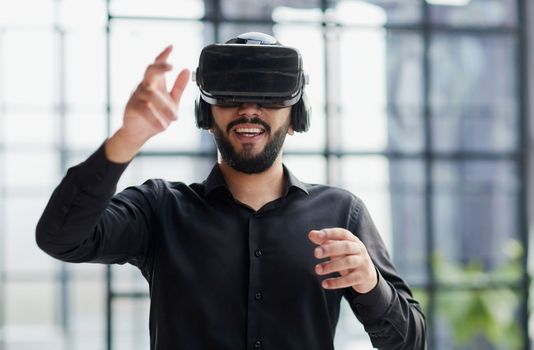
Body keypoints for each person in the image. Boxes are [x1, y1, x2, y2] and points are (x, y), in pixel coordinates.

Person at [36, 32, 426, 349]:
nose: (249, 109)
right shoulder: (160, 209)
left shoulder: (342, 213)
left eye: (269, 97)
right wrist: (127, 138)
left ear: (296, 118)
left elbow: (410, 343)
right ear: (206, 116)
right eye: (232, 96)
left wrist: (371, 284)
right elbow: (60, 238)